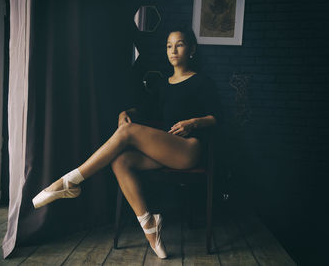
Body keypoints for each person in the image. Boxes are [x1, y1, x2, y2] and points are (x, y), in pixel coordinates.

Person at [32, 25, 221, 259]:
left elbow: (216, 117)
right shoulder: (164, 84)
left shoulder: (202, 82)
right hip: (164, 150)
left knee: (127, 133)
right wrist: (124, 112)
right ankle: (149, 225)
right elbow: (142, 110)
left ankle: (67, 182)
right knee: (120, 160)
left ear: (191, 49)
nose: (173, 50)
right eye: (169, 46)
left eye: (179, 45)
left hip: (189, 149)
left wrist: (193, 122)